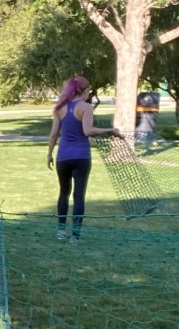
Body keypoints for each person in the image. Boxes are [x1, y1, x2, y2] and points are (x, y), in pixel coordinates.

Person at [46, 76, 123, 242]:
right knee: (79, 196)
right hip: (81, 157)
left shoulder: (59, 108)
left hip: (63, 157)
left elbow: (53, 134)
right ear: (85, 91)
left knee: (64, 192)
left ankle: (61, 232)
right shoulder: (86, 107)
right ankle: (75, 236)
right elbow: (88, 131)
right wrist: (110, 130)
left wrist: (49, 154)